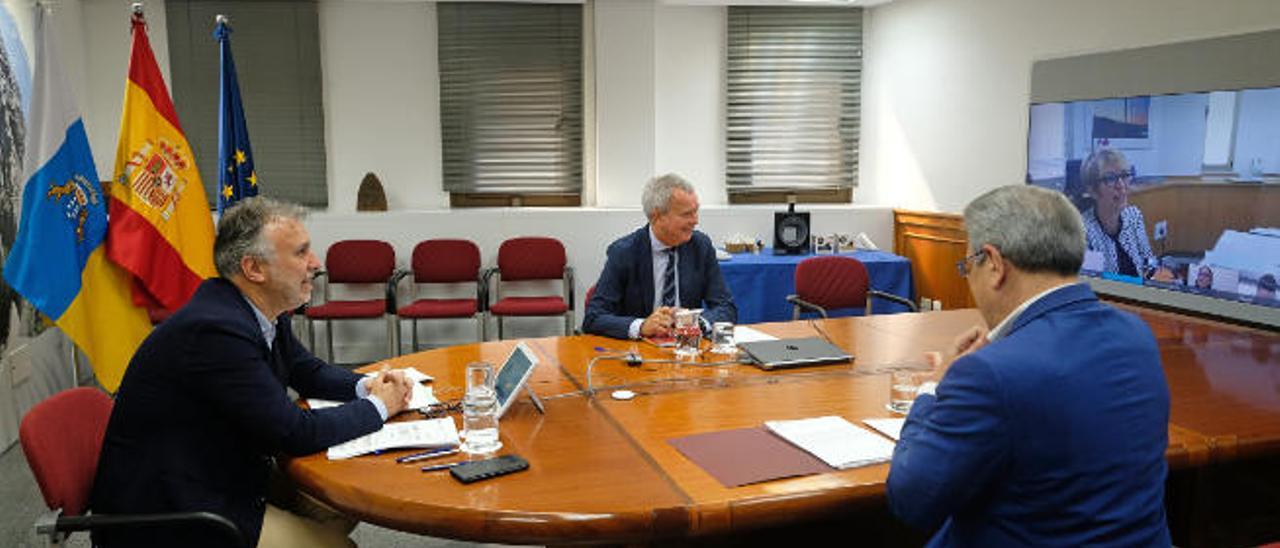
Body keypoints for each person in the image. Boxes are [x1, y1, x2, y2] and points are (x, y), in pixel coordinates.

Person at [92, 197, 413, 548]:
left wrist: (368, 385)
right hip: (174, 509)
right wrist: (381, 406)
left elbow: (306, 371)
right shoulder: (215, 331)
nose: (316, 263)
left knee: (344, 503)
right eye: (300, 253)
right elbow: (294, 432)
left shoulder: (260, 310)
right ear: (254, 269)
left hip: (227, 470)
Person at [886, 185, 1171, 546]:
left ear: (993, 264)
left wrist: (933, 388)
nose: (969, 279)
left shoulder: (988, 373)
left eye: (967, 266)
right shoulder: (1137, 336)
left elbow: (911, 500)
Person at [582, 173, 736, 340]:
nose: (695, 220)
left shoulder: (700, 246)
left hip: (686, 350)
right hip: (639, 352)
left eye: (696, 212)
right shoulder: (624, 252)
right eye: (686, 214)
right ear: (657, 216)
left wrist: (697, 324)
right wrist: (641, 326)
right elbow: (594, 318)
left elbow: (726, 307)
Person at [1078, 148, 1155, 277]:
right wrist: (1142, 284)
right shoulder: (1082, 231)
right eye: (1110, 179)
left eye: (1124, 176)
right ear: (1092, 191)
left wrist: (1157, 274)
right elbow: (1096, 283)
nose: (1121, 185)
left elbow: (1148, 259)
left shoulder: (1134, 215)